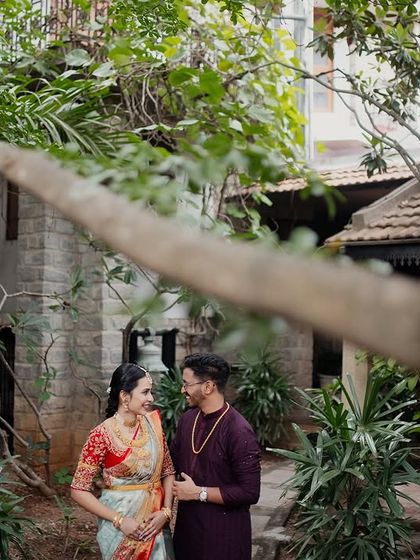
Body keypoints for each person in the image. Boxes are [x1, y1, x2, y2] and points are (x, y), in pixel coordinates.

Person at [71, 363, 176, 560]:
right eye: (145, 392)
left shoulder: (153, 425)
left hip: (156, 523)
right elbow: (78, 489)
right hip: (120, 527)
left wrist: (166, 511)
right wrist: (119, 520)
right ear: (124, 396)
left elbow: (168, 471)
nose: (151, 398)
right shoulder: (101, 435)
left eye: (150, 392)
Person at [171, 352, 261, 560]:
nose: (182, 389)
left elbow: (249, 492)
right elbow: (171, 463)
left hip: (223, 538)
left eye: (187, 384)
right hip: (187, 533)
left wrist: (198, 493)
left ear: (208, 387)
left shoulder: (238, 430)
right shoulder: (187, 420)